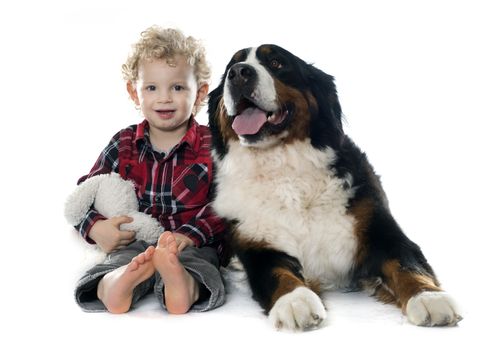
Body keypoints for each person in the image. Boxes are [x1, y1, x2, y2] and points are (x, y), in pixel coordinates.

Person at [73, 26, 227, 314]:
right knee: (116, 262)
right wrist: (95, 227)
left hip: (191, 244)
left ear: (200, 93)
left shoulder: (212, 144)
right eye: (151, 87)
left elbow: (227, 203)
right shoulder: (124, 142)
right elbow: (86, 191)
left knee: (201, 266)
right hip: (135, 241)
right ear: (134, 92)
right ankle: (116, 284)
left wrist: (189, 235)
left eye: (178, 87)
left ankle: (180, 285)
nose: (164, 98)